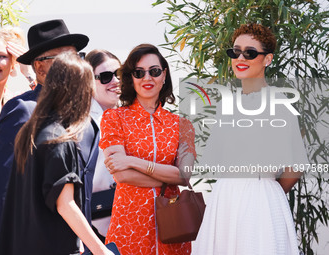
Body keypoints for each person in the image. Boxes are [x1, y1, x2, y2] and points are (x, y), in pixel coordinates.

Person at [192, 23, 308, 255]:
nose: (240, 58)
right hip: (224, 201)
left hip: (260, 203)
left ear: (267, 59)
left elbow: (296, 166)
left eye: (250, 52)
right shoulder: (226, 106)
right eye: (236, 51)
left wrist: (264, 190)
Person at [0, 19, 99, 254]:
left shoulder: (84, 117)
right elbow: (4, 187)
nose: (75, 64)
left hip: (78, 245)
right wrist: (2, 244)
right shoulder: (24, 110)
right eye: (64, 59)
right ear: (40, 67)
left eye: (77, 56)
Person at [99, 43, 196, 254]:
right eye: (139, 72)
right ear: (130, 77)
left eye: (154, 71)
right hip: (129, 226)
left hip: (173, 229)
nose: (147, 78)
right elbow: (122, 175)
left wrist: (132, 161)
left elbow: (185, 176)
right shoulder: (113, 118)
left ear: (164, 75)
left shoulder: (183, 125)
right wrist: (170, 176)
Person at [0, 26, 35, 248]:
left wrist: (29, 72)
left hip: (11, 209)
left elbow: (53, 112)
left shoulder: (17, 105)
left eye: (1, 56)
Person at [85, 49, 121, 241]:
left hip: (127, 220)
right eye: (106, 77)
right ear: (89, 82)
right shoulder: (81, 123)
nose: (115, 81)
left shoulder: (128, 116)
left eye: (120, 74)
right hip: (94, 227)